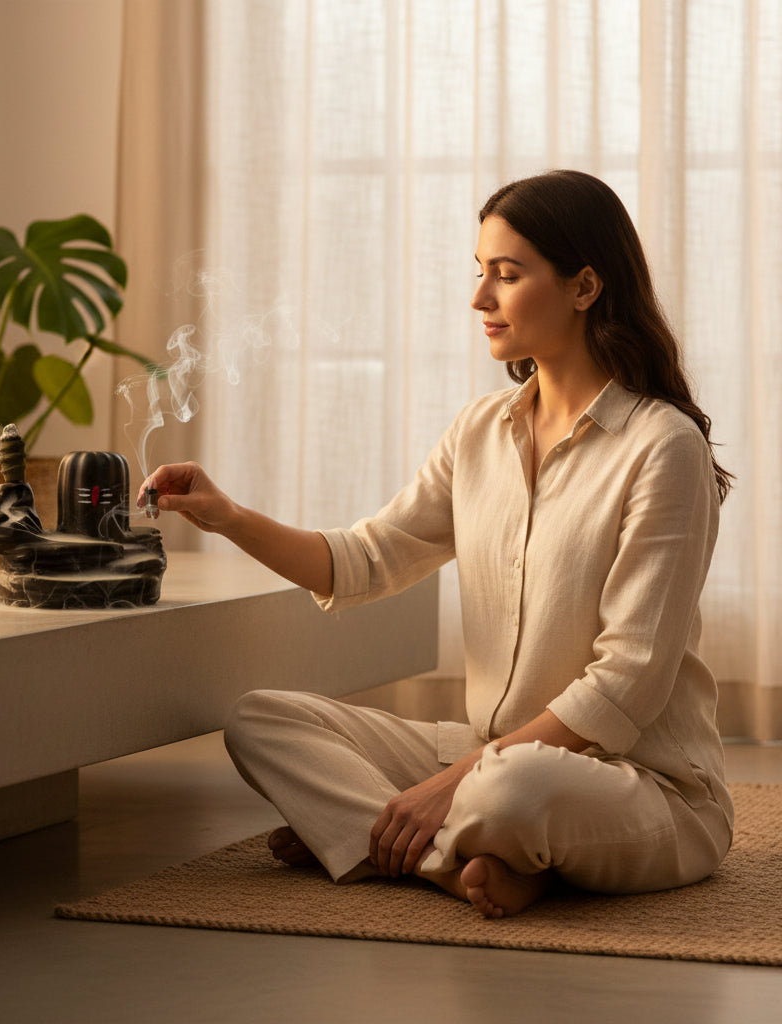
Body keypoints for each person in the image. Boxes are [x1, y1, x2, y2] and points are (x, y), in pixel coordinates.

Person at [136, 169, 735, 919]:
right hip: (485, 748)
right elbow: (362, 561)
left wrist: (447, 786)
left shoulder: (662, 447)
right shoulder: (480, 430)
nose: (479, 299)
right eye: (479, 274)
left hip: (634, 782)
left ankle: (369, 834)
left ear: (585, 287)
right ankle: (455, 865)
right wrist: (226, 514)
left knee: (509, 790)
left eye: (507, 276)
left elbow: (626, 685)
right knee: (261, 720)